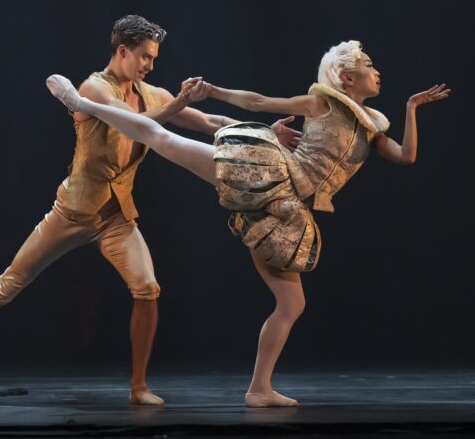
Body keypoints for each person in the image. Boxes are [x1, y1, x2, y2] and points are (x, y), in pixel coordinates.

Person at [0, 15, 300, 405]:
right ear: (122, 51)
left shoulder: (153, 93)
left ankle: (138, 387)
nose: (150, 65)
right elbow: (137, 125)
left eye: (153, 58)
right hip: (72, 213)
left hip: (116, 217)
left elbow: (212, 122)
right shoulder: (93, 88)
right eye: (145, 57)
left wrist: (269, 135)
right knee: (6, 286)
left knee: (147, 288)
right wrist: (180, 101)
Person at [45, 39, 450, 407]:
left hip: (288, 210)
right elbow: (258, 102)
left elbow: (406, 156)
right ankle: (85, 105)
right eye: (368, 65)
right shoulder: (324, 104)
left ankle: (259, 389)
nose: (377, 72)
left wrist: (411, 109)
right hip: (268, 174)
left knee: (292, 303)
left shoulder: (372, 125)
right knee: (165, 140)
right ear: (346, 77)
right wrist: (214, 92)